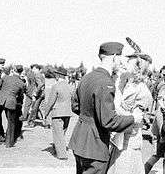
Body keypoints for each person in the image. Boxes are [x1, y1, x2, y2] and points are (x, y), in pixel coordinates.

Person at [68, 42, 143, 174]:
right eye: (120, 58)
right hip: (95, 146)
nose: (121, 62)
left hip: (79, 140)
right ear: (114, 57)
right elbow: (108, 121)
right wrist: (133, 118)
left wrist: (91, 116)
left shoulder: (87, 77)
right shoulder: (106, 82)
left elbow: (75, 106)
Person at [107, 52, 153, 174]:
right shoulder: (127, 84)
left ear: (138, 66)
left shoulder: (142, 90)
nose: (125, 63)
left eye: (129, 61)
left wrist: (116, 106)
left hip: (129, 141)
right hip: (120, 138)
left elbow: (135, 119)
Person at [0, 65, 26, 149]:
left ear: (13, 70)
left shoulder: (5, 77)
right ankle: (9, 143)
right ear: (21, 72)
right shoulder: (22, 83)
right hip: (11, 103)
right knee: (11, 122)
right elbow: (20, 97)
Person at [44, 67, 75, 160]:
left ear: (58, 75)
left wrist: (46, 113)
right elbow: (73, 100)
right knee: (62, 133)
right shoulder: (70, 86)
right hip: (67, 113)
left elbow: (51, 102)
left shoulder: (56, 86)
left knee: (58, 134)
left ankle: (62, 155)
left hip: (57, 113)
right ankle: (56, 148)